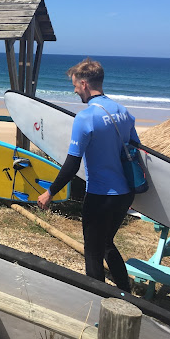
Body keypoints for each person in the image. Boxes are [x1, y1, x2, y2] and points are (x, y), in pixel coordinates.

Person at [37, 58, 139, 293]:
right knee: (106, 243)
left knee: (93, 253)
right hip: (124, 194)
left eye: (75, 86)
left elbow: (73, 164)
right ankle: (125, 292)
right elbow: (136, 151)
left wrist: (50, 191)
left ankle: (97, 302)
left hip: (100, 196)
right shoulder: (124, 112)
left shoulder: (86, 117)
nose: (74, 91)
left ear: (84, 83)